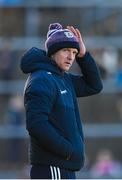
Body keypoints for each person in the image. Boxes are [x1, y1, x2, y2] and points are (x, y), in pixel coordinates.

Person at [20, 23, 103, 179]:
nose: (71, 57)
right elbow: (36, 124)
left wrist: (83, 56)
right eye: (65, 50)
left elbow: (94, 86)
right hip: (53, 168)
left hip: (63, 167)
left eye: (74, 52)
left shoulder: (63, 79)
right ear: (53, 52)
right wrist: (67, 150)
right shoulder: (42, 80)